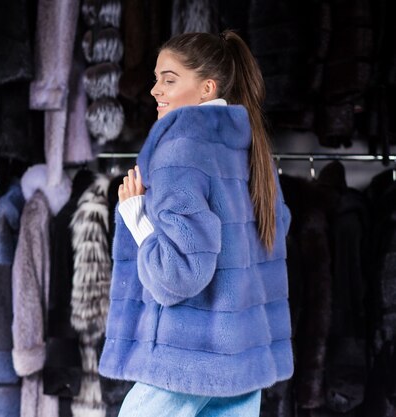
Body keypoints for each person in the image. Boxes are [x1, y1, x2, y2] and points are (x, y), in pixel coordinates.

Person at [98, 30, 293, 417]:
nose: (155, 90)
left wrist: (137, 217)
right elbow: (272, 235)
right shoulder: (251, 148)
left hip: (184, 360)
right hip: (241, 357)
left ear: (207, 87)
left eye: (169, 80)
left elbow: (180, 274)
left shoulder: (182, 147)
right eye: (156, 79)